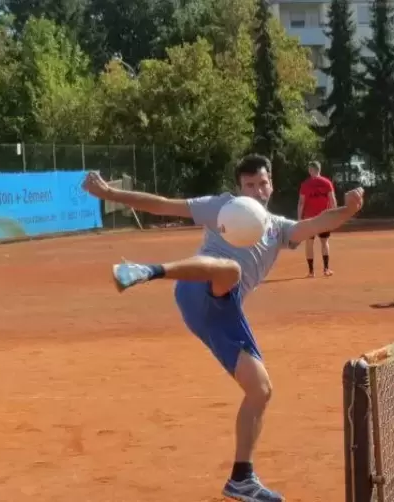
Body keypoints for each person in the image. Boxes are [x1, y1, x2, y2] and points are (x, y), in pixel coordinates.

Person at [81, 154, 364, 502]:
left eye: (262, 184)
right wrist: (110, 193)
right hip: (194, 288)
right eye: (249, 185)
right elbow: (163, 206)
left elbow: (319, 222)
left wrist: (349, 210)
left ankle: (241, 479)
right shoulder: (222, 206)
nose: (258, 191)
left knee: (260, 390)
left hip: (223, 312)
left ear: (271, 184)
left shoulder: (278, 228)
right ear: (238, 188)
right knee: (230, 269)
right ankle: (148, 270)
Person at [297, 160, 337, 277]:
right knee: (324, 242)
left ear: (312, 170)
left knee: (309, 243)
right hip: (324, 218)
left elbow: (301, 202)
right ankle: (326, 269)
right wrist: (334, 215)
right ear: (319, 169)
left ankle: (311, 272)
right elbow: (332, 200)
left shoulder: (305, 184)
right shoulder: (327, 183)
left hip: (310, 219)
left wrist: (299, 218)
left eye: (309, 169)